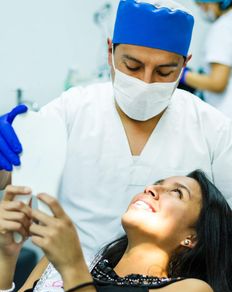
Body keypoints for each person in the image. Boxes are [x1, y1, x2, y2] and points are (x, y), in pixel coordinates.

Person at [0, 0, 232, 265]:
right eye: (132, 66)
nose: (145, 83)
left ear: (184, 65)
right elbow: (10, 177)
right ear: (110, 51)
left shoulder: (213, 129)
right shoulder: (73, 110)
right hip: (65, 283)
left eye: (164, 72)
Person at [0, 170, 232, 292]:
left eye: (177, 192)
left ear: (192, 237)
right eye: (157, 183)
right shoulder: (54, 265)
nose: (151, 188)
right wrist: (6, 258)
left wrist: (73, 269)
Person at [180, 0, 232, 118]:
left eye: (203, 4)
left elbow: (217, 83)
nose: (202, 9)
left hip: (225, 113)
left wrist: (180, 74)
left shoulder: (222, 28)